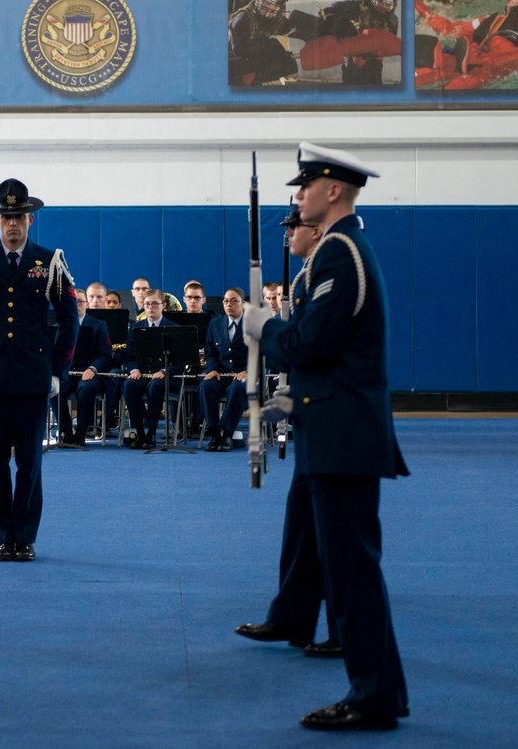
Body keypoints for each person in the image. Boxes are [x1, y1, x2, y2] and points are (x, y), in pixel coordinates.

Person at [242, 141, 409, 731]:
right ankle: (383, 689)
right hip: (332, 425)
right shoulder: (337, 250)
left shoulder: (340, 252)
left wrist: (267, 325)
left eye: (306, 187)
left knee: (353, 571)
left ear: (333, 190)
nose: (298, 196)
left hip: (343, 431)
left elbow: (314, 344)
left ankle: (372, 697)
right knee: (348, 566)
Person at [0, 178, 79, 562]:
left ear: (30, 219)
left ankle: (24, 535)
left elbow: (70, 320)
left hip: (32, 377)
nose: (12, 224)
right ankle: (2, 537)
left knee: (29, 461)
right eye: (6, 216)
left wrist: (57, 370)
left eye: (19, 216)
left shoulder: (49, 261)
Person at [235, 204, 342, 660]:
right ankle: (292, 615)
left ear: (315, 230)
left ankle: (342, 630)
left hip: (337, 420)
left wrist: (267, 327)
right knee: (301, 524)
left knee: (337, 537)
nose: (287, 235)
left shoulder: (331, 267)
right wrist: (289, 397)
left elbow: (313, 346)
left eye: (293, 227)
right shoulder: (303, 278)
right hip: (313, 412)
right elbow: (296, 356)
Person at [122, 288, 178, 450]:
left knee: (155, 385)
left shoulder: (173, 327)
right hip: (142, 375)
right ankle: (139, 431)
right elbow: (130, 357)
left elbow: (179, 361)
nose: (151, 307)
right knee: (128, 385)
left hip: (167, 378)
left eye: (155, 304)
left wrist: (164, 371)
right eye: (147, 304)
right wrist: (134, 370)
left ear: (164, 305)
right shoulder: (135, 329)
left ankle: (151, 432)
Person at [56, 288, 113, 446]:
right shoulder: (60, 325)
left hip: (91, 373)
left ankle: (81, 432)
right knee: (54, 387)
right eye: (73, 302)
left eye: (80, 301)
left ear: (86, 304)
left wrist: (92, 369)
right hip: (67, 373)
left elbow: (106, 355)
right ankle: (65, 431)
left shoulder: (99, 325)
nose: (77, 305)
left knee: (86, 388)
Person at [198, 287, 249, 452]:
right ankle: (215, 433)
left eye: (234, 301)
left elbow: (264, 353)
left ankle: (227, 433)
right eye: (226, 301)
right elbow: (210, 350)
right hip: (222, 375)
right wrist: (212, 368)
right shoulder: (215, 323)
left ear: (243, 303)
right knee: (205, 386)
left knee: (237, 387)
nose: (229, 304)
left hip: (247, 377)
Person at [320, 0, 399, 85]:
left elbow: (389, 43)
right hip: (354, 53)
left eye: (387, 4)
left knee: (375, 85)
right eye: (381, 2)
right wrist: (330, 12)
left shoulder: (393, 20)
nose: (383, 6)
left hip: (374, 57)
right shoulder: (360, 6)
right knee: (352, 85)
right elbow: (337, 7)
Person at [228, 0, 298, 86]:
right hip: (234, 66)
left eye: (273, 9)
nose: (268, 14)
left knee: (288, 64)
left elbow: (288, 26)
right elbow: (239, 50)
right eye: (266, 5)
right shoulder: (243, 18)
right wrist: (270, 47)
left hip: (252, 64)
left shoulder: (272, 18)